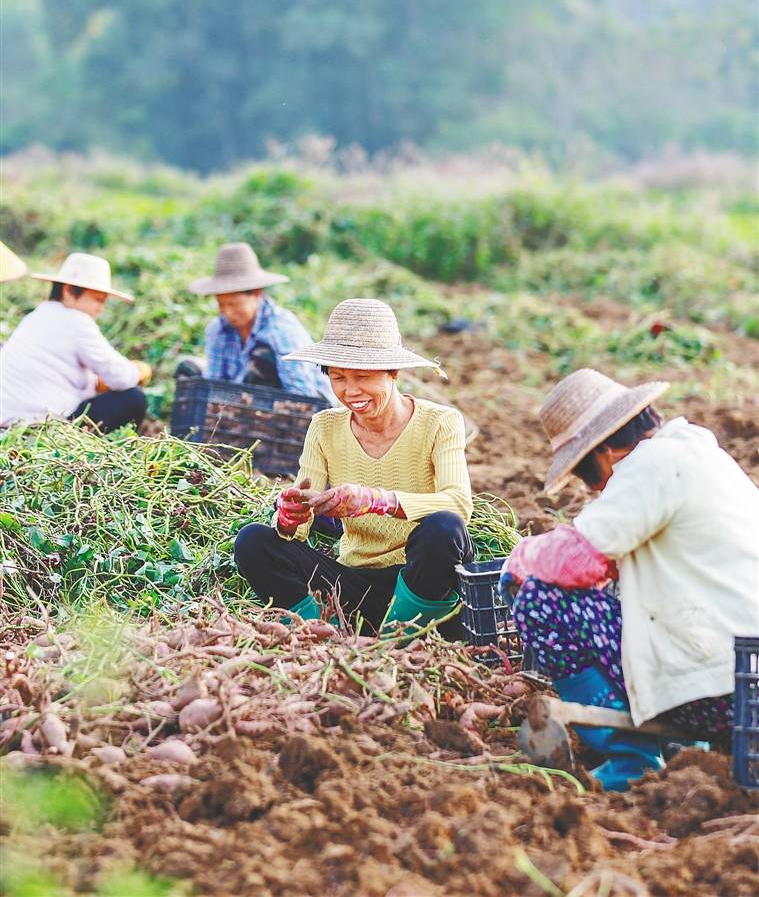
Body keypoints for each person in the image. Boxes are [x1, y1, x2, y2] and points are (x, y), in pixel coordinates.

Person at [500, 368, 759, 791]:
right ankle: (678, 743)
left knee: (539, 600)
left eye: (586, 473)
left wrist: (519, 559)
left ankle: (631, 757)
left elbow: (573, 561)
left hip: (723, 692)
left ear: (602, 451)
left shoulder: (649, 468)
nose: (593, 488)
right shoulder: (697, 453)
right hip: (746, 680)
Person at [234, 298, 473, 634]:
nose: (350, 391)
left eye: (363, 376)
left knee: (444, 528)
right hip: (355, 582)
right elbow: (297, 530)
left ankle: (400, 637)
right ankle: (327, 633)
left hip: (422, 578)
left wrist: (377, 501)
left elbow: (459, 505)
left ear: (394, 372)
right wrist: (290, 517)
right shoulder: (324, 427)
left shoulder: (440, 422)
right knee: (253, 541)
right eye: (338, 377)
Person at [0, 253, 150, 433]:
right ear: (68, 291)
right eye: (98, 300)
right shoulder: (77, 322)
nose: (100, 309)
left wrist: (96, 382)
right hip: (44, 426)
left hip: (10, 421)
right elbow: (121, 377)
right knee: (133, 398)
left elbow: (59, 370)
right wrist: (140, 371)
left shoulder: (36, 316)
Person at [183, 242, 335, 404]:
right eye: (221, 305)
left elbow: (301, 393)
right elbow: (215, 383)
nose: (227, 312)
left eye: (234, 305)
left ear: (256, 294)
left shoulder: (281, 329)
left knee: (262, 359)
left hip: (303, 404)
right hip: (242, 403)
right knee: (187, 370)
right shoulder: (217, 330)